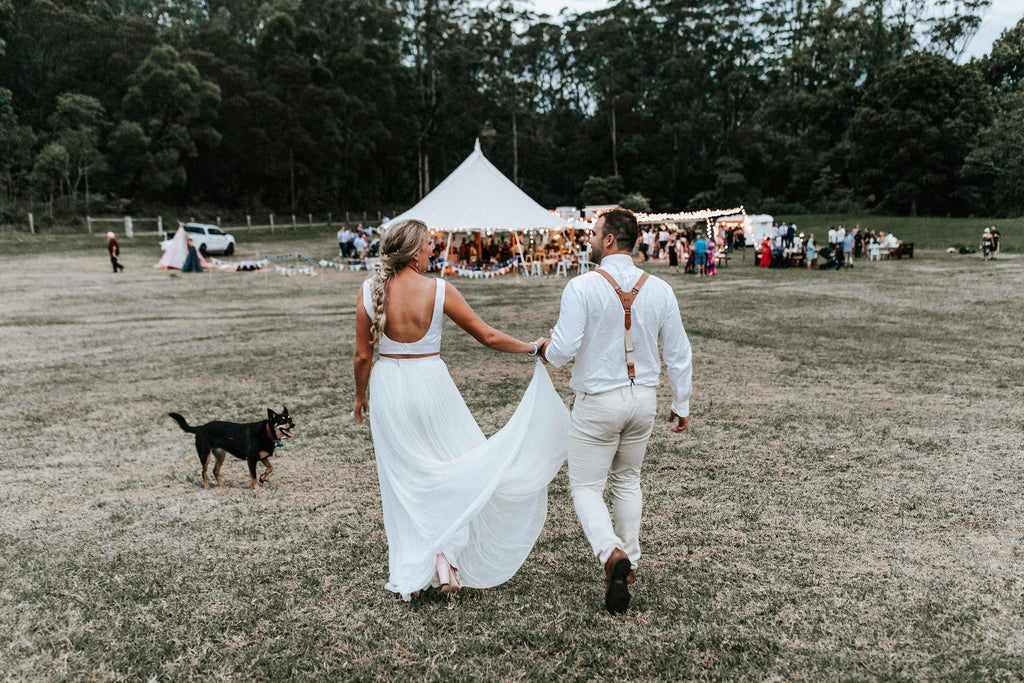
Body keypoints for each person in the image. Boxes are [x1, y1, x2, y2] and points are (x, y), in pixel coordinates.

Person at [353, 219, 566, 601]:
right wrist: (532, 347)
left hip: (388, 388)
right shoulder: (439, 290)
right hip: (432, 383)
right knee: (452, 464)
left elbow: (361, 356)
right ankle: (444, 559)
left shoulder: (370, 291)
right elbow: (486, 335)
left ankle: (414, 573)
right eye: (429, 245)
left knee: (403, 484)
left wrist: (360, 396)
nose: (433, 250)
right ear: (415, 251)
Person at [539, 208, 693, 615]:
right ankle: (630, 563)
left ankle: (611, 554)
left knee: (586, 487)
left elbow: (563, 349)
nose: (589, 240)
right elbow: (678, 352)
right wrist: (682, 403)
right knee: (628, 480)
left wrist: (545, 350)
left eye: (594, 234)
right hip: (643, 399)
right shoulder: (660, 289)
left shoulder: (581, 286)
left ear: (609, 240)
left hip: (598, 402)